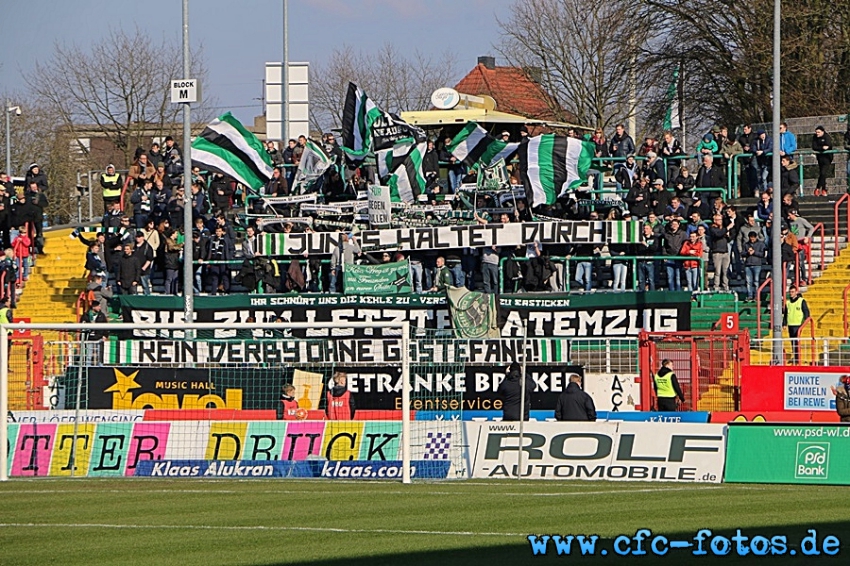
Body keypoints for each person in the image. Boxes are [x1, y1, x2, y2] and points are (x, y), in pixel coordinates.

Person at [783, 285, 810, 364]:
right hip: (790, 325)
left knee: (796, 342)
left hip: (798, 325)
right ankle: (795, 357)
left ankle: (797, 358)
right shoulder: (788, 303)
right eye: (790, 292)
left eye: (792, 292)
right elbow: (785, 314)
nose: (791, 293)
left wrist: (805, 321)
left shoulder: (801, 301)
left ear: (796, 292)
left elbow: (806, 312)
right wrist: (784, 323)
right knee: (792, 342)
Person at [743, 231, 766, 302]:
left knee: (756, 281)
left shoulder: (761, 244)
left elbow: (762, 254)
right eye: (751, 238)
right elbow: (742, 253)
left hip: (757, 265)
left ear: (756, 237)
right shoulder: (746, 244)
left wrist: (754, 252)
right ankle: (750, 296)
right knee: (749, 281)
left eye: (753, 238)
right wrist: (747, 253)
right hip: (748, 265)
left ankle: (756, 296)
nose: (752, 239)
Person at [811, 125, 833, 197]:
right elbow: (814, 147)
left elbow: (828, 145)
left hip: (827, 158)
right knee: (821, 173)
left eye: (819, 132)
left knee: (823, 173)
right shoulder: (815, 137)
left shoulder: (827, 137)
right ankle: (823, 189)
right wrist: (821, 148)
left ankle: (818, 188)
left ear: (822, 132)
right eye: (816, 132)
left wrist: (824, 148)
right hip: (820, 157)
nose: (817, 134)